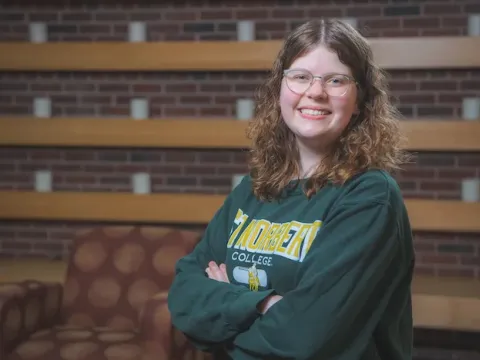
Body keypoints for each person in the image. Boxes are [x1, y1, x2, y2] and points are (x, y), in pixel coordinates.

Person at [167, 18, 415, 360]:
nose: (315, 92)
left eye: (336, 80)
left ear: (359, 101)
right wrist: (264, 303)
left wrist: (224, 319)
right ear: (279, 90)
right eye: (300, 77)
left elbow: (307, 341)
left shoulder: (369, 197)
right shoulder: (255, 189)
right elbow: (184, 294)